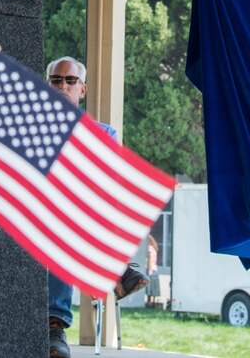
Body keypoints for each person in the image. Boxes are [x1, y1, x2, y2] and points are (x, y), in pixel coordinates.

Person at [44, 56, 149, 358]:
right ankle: (116, 271)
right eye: (56, 79)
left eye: (70, 80)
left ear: (83, 89)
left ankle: (55, 325)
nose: (62, 85)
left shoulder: (105, 134)